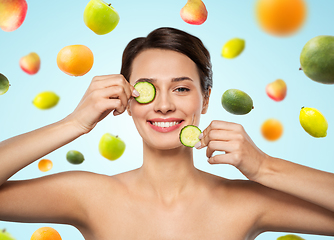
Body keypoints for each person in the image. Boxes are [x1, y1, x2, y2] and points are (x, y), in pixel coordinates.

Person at [0, 27, 333, 240]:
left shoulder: (246, 201)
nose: (162, 106)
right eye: (147, 89)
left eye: (181, 89)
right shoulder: (90, 195)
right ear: (127, 100)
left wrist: (265, 167)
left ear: (205, 100)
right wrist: (74, 123)